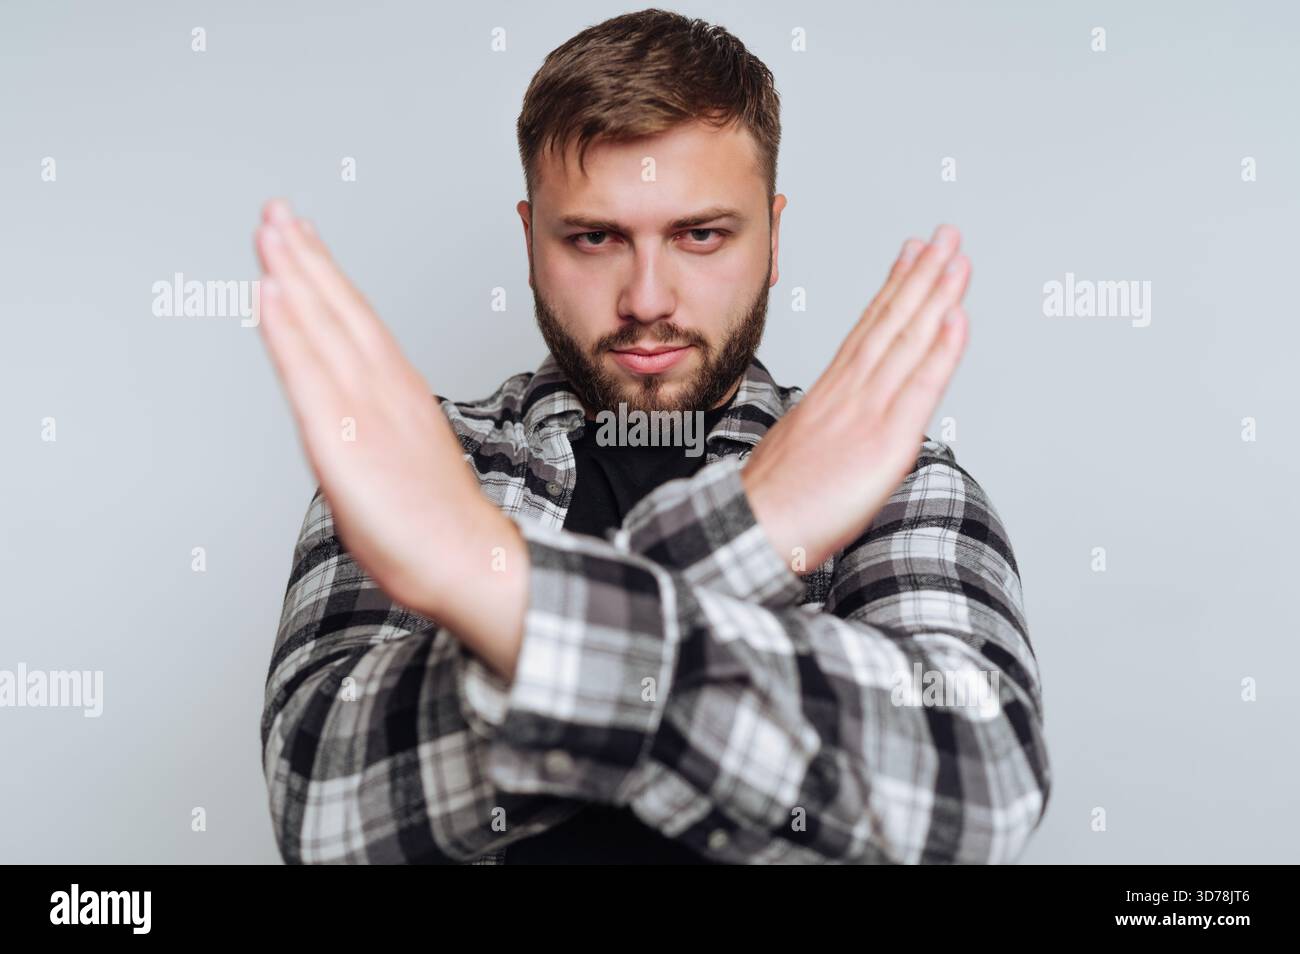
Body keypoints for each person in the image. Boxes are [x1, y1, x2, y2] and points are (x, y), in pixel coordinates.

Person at [256, 8, 1050, 864]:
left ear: (774, 236)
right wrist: (750, 537)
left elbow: (979, 789)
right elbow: (321, 806)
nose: (646, 299)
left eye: (699, 235)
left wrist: (507, 603)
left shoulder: (893, 476)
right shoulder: (417, 463)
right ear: (530, 242)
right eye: (596, 237)